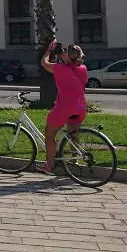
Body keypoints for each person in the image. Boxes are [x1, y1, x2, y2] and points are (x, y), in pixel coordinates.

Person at [38, 40, 88, 175]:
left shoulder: (60, 68)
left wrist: (49, 50)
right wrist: (64, 57)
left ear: (67, 55)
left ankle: (49, 165)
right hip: (80, 106)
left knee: (49, 135)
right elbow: (73, 66)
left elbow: (44, 63)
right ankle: (74, 159)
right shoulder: (83, 69)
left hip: (64, 106)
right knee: (73, 134)